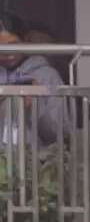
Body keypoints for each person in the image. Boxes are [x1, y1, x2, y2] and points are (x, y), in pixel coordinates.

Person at [0, 11, 73, 148]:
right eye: (2, 48)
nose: (9, 54)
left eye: (14, 45)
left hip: (32, 158)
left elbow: (59, 134)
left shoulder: (47, 76)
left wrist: (34, 105)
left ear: (25, 41)